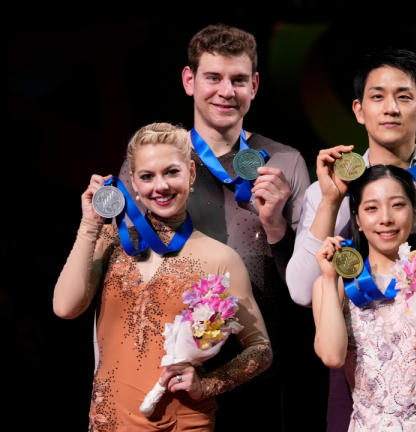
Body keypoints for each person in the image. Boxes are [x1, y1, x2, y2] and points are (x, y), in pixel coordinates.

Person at [118, 24, 311, 430]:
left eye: (238, 79)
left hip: (258, 368)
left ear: (254, 85)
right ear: (189, 81)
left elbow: (305, 289)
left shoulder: (286, 161)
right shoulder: (152, 166)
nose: (227, 91)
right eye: (213, 78)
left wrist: (276, 227)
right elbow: (125, 271)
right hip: (170, 372)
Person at [53, 123, 272, 431]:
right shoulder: (110, 241)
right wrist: (90, 224)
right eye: (147, 176)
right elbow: (65, 307)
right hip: (110, 420)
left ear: (191, 173)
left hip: (184, 422)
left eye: (172, 172)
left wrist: (207, 384)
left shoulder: (221, 258)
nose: (161, 186)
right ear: (132, 181)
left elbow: (260, 349)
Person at [286, 48, 416, 431]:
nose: (391, 108)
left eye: (404, 96)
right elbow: (303, 291)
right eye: (378, 96)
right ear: (358, 110)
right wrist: (332, 201)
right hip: (360, 375)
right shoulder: (330, 189)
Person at [313, 165, 416, 431]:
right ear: (356, 218)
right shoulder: (332, 284)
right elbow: (332, 357)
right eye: (371, 208)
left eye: (398, 205)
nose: (386, 218)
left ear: (414, 214)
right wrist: (331, 279)